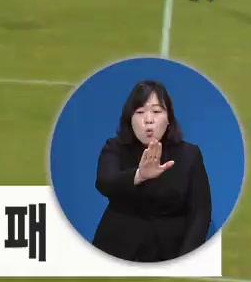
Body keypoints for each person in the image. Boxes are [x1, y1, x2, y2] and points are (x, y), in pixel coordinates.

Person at [91, 80, 212, 263]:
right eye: (140, 112)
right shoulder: (115, 147)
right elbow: (104, 182)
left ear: (168, 118)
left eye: (156, 111)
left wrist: (186, 259)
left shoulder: (189, 154)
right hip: (117, 249)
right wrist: (139, 175)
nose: (149, 119)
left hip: (171, 253)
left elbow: (200, 213)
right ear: (129, 119)